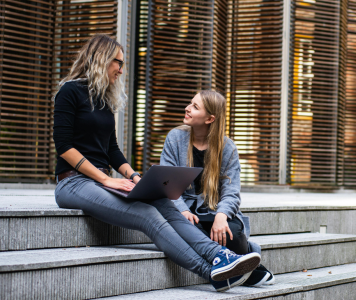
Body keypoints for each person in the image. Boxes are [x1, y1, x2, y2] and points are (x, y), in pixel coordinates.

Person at [52, 34, 261, 292]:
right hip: (73, 183)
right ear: (100, 59)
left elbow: (113, 151)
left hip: (102, 182)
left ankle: (219, 255)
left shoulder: (104, 101)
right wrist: (106, 178)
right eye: (118, 62)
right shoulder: (69, 91)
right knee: (148, 214)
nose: (121, 69)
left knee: (162, 200)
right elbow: (64, 147)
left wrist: (137, 179)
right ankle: (211, 272)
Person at [159, 90, 275, 290]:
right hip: (185, 209)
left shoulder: (227, 147)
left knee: (233, 233)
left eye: (195, 107)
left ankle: (239, 259)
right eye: (190, 103)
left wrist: (222, 216)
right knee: (188, 229)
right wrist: (182, 210)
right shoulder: (175, 138)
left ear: (210, 118)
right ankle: (248, 270)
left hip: (213, 209)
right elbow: (166, 183)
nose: (187, 108)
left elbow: (232, 191)